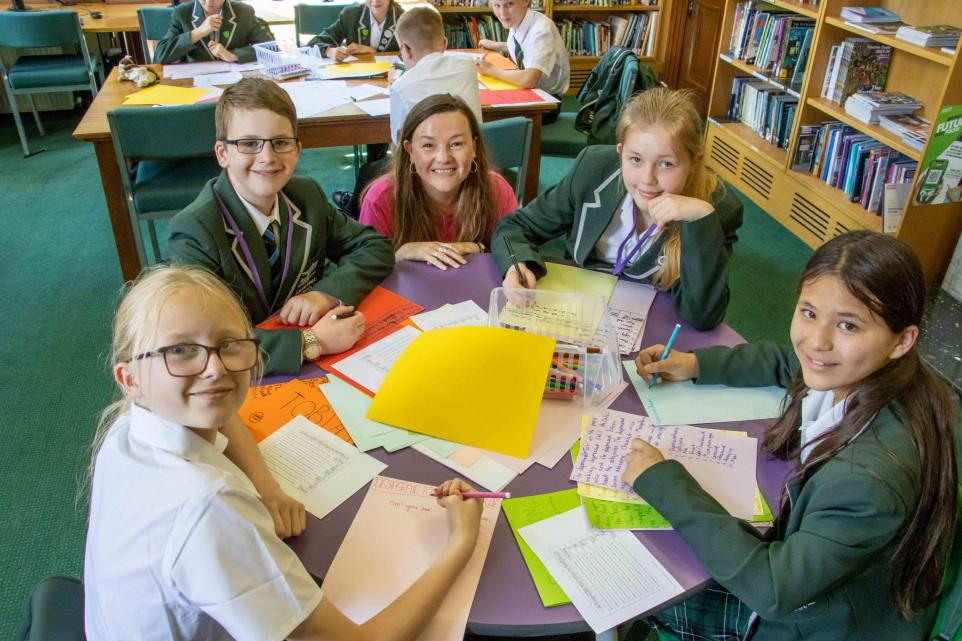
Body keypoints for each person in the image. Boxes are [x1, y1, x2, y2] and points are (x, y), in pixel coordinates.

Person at [84, 264, 484, 641]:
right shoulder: (209, 505)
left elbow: (222, 412)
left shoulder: (128, 428)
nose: (214, 369)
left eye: (228, 344)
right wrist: (461, 542)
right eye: (180, 351)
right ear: (129, 378)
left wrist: (267, 487)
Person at [627, 231, 959, 641]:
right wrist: (695, 363)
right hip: (816, 582)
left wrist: (666, 483)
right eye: (808, 312)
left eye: (848, 325)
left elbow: (772, 589)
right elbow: (789, 362)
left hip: (812, 624)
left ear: (902, 340)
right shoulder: (876, 377)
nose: (817, 342)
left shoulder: (866, 481)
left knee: (637, 585)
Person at [169, 77, 394, 376]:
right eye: (249, 143)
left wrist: (325, 294)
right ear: (223, 153)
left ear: (297, 150)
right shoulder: (195, 230)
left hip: (312, 370)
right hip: (245, 375)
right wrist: (309, 341)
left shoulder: (307, 196)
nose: (267, 157)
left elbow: (375, 246)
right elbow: (205, 340)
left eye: (281, 143)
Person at [492, 87, 742, 330]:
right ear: (620, 153)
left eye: (666, 164)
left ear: (693, 163)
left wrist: (699, 222)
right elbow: (515, 226)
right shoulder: (593, 169)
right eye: (635, 160)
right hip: (574, 315)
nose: (648, 179)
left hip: (652, 330)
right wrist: (518, 265)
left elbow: (702, 316)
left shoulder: (714, 211)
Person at [337, 5, 483, 220]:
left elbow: (399, 145)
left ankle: (356, 215)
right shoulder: (468, 66)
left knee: (368, 171)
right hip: (468, 156)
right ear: (444, 43)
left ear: (405, 49)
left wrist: (399, 81)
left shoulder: (402, 86)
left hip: (426, 169)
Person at [360, 94, 518, 270]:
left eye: (456, 144)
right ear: (409, 150)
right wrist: (402, 254)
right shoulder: (380, 198)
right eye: (428, 145)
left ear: (474, 147)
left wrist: (479, 248)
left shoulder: (497, 189)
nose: (443, 158)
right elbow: (366, 270)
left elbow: (513, 253)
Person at [475, 0, 569, 123]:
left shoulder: (541, 31)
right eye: (497, 6)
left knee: (481, 116)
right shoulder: (520, 20)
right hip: (529, 93)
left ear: (526, 1)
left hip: (546, 105)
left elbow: (529, 79)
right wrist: (497, 45)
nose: (502, 13)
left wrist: (492, 70)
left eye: (510, 4)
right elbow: (525, 47)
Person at [153, 0, 274, 64]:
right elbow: (159, 57)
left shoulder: (244, 11)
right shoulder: (181, 13)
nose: (209, 2)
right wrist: (198, 32)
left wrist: (234, 55)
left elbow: (271, 48)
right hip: (195, 83)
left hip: (237, 84)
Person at [307, 0, 404, 63]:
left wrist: (371, 51)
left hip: (391, 81)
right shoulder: (350, 15)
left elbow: (413, 56)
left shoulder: (403, 19)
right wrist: (329, 51)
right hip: (356, 81)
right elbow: (312, 44)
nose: (375, 0)